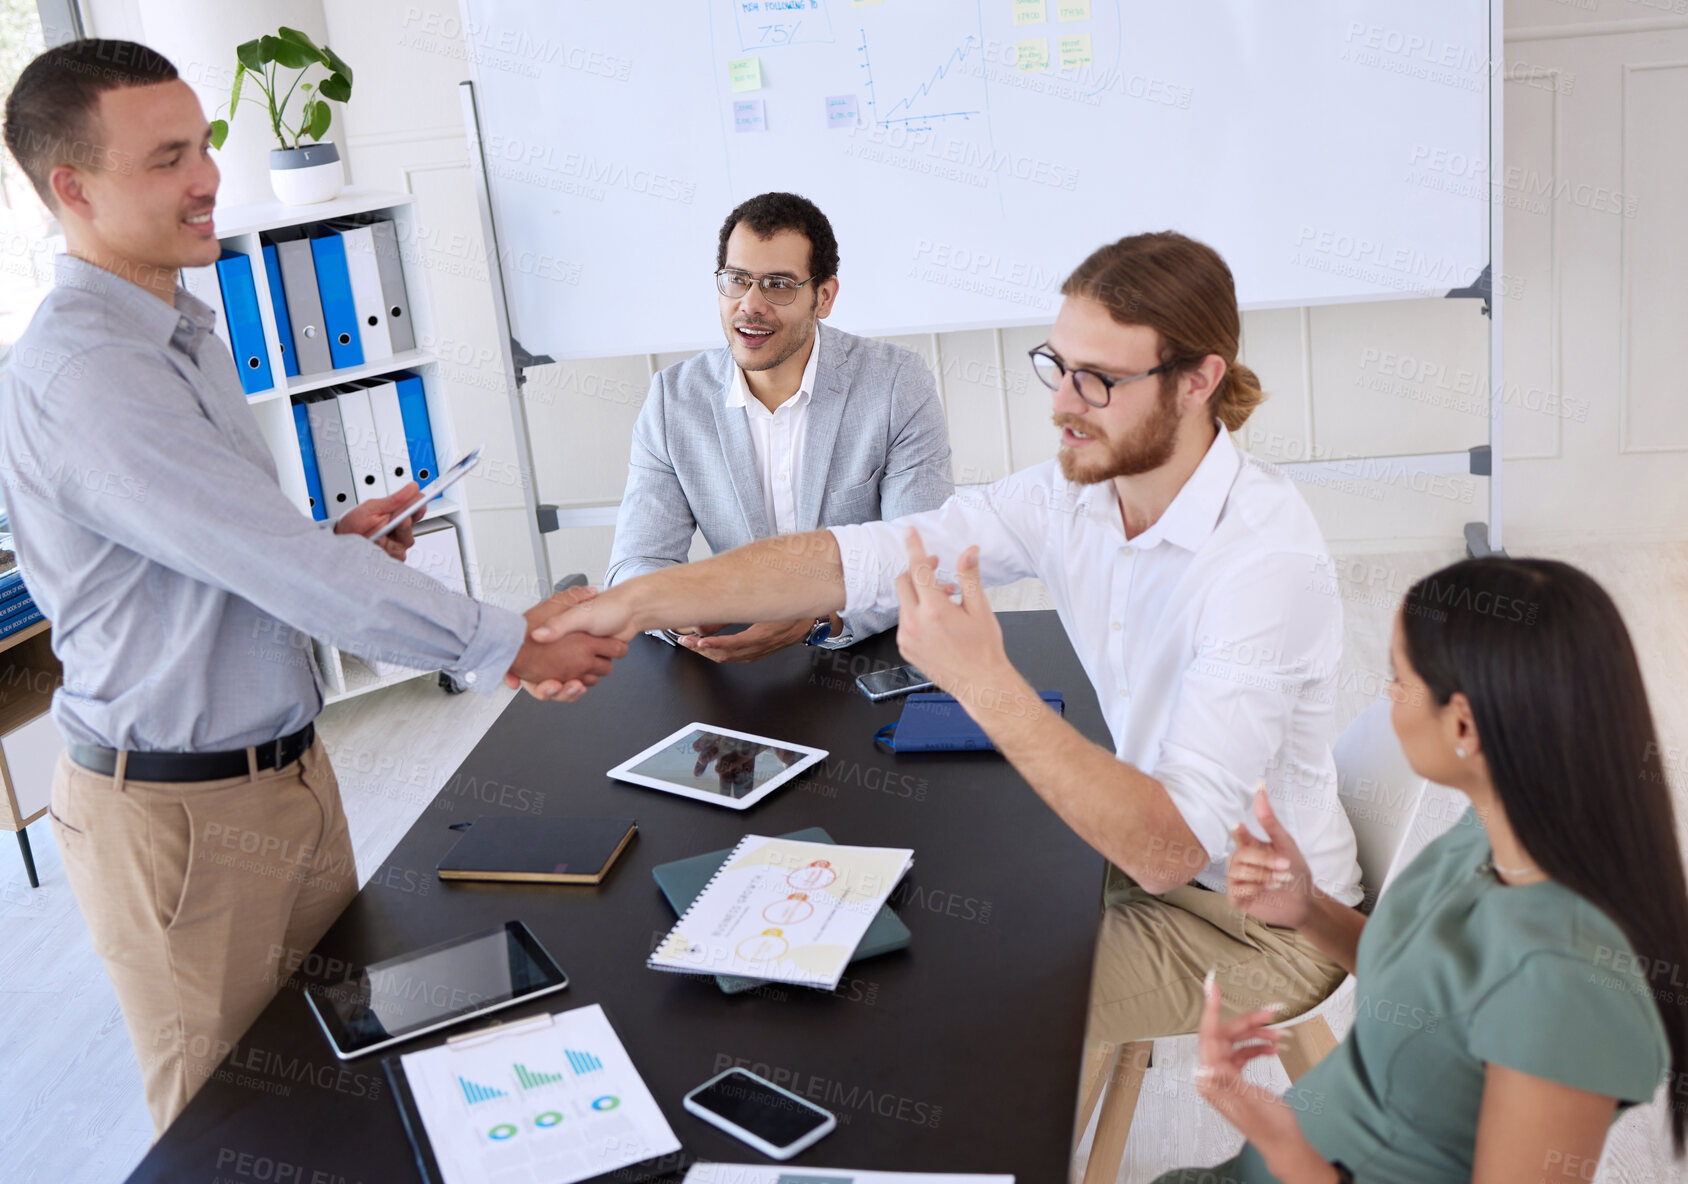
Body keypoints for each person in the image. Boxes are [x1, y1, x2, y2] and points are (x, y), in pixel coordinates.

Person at [523, 231, 1366, 1047]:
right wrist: (632, 603)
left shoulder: (1263, 565)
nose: (1063, 406)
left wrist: (986, 683)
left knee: (934, 1010)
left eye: (1100, 380)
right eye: (1058, 368)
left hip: (1260, 927)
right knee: (897, 904)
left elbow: (1167, 848)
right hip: (1129, 856)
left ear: (1196, 381)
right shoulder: (1073, 495)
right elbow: (855, 557)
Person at [0, 40, 625, 1134]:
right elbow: (273, 565)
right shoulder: (86, 370)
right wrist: (507, 640)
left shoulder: (177, 330)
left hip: (280, 775)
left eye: (204, 146)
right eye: (168, 159)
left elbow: (223, 549)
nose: (207, 179)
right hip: (177, 813)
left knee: (342, 1065)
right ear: (73, 189)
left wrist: (330, 538)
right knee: (230, 1121)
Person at [1163, 558, 1687, 1183]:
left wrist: (1286, 1149)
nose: (1387, 695)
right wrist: (1306, 906)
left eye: (1399, 678)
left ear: (1463, 723)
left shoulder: (1567, 988)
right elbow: (1431, 990)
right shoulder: (1499, 834)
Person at [604, 191, 953, 662]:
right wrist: (682, 608)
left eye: (778, 285)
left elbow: (921, 560)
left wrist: (817, 618)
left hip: (863, 656)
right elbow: (633, 565)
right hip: (729, 667)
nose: (751, 305)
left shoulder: (895, 385)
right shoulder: (674, 400)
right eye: (738, 280)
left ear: (823, 297)